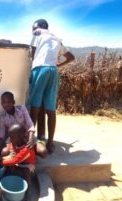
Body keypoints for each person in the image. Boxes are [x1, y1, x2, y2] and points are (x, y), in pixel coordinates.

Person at [28, 19, 75, 153]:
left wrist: (31, 68)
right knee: (50, 109)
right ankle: (50, 143)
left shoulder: (37, 33)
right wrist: (57, 65)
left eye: (33, 28)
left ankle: (30, 141)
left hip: (40, 69)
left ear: (38, 27)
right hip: (53, 71)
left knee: (35, 107)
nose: (32, 30)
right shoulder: (56, 38)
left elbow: (32, 54)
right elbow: (71, 57)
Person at [0, 123, 36, 201]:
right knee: (9, 166)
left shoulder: (27, 148)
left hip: (28, 166)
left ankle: (28, 193)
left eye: (12, 137)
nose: (10, 139)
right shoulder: (15, 142)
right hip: (18, 162)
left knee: (26, 172)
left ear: (20, 137)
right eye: (9, 136)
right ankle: (3, 183)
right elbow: (12, 155)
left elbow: (14, 160)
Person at [0, 91, 47, 157]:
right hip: (14, 141)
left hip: (27, 137)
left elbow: (30, 125)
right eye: (4, 102)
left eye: (9, 102)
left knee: (43, 152)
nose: (6, 104)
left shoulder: (22, 109)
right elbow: (1, 137)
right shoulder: (3, 118)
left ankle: (28, 153)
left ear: (13, 102)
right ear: (1, 104)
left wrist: (30, 141)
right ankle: (23, 155)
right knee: (4, 153)